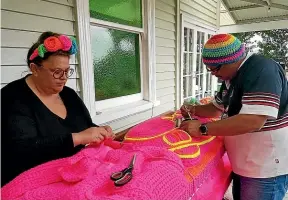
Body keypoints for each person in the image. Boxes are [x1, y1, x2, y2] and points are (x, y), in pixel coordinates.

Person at [179, 34, 288, 200]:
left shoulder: (262, 70)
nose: (213, 74)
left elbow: (253, 121)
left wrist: (202, 129)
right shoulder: (231, 77)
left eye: (215, 68)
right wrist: (193, 109)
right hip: (244, 163)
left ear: (232, 60)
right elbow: (216, 109)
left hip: (264, 167)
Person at [1, 31, 114, 186]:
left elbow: (85, 126)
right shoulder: (12, 98)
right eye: (57, 72)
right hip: (31, 183)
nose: (64, 78)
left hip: (73, 175)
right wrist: (78, 138)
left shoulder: (69, 95)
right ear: (35, 69)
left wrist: (99, 131)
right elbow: (22, 150)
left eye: (67, 71)